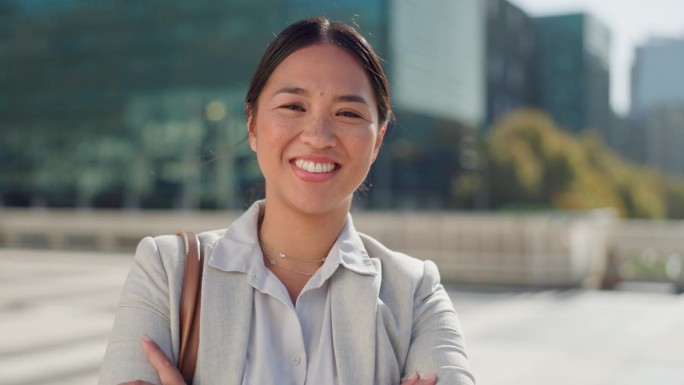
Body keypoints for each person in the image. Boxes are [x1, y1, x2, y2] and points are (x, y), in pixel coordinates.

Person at [98, 17, 475, 385]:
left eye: (348, 113)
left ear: (377, 141)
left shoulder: (414, 293)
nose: (318, 136)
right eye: (294, 107)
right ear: (252, 125)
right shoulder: (167, 271)